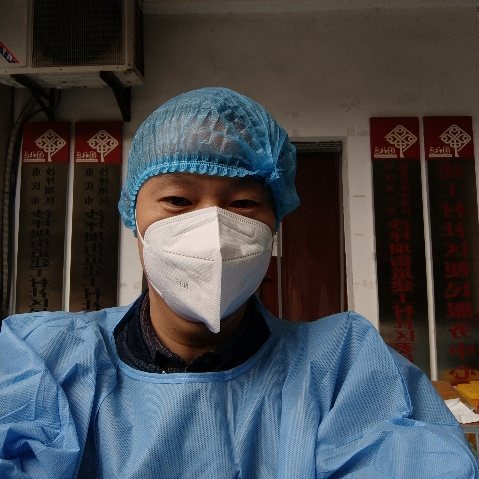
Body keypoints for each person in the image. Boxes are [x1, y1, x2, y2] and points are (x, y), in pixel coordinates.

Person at [0, 87, 477, 479]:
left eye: (243, 204)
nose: (213, 228)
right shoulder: (44, 361)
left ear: (274, 225)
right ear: (135, 218)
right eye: (178, 201)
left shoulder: (343, 368)